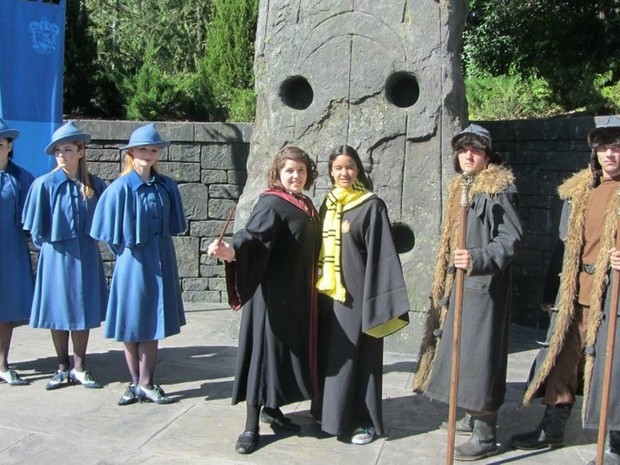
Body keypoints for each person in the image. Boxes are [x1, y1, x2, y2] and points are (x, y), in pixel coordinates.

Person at [510, 116, 620, 465]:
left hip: (613, 295)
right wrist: (550, 291)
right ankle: (552, 429)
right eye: (603, 148)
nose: (610, 155)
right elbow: (564, 246)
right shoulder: (580, 192)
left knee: (612, 370)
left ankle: (616, 443)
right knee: (561, 362)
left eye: (616, 147)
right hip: (576, 293)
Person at [413, 124, 522, 461]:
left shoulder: (498, 190)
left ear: (487, 155)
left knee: (480, 358)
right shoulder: (462, 187)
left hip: (483, 287)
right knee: (461, 353)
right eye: (463, 150)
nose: (468, 155)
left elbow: (511, 239)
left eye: (475, 149)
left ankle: (486, 434)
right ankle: (471, 414)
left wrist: (477, 258)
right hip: (459, 286)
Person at [207, 146, 321, 455]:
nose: (295, 176)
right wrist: (229, 251)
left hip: (296, 296)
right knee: (262, 358)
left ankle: (273, 410)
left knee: (282, 356)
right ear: (277, 174)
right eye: (289, 171)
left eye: (300, 170)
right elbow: (252, 238)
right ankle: (251, 427)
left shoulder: (306, 205)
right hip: (270, 297)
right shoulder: (272, 203)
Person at [310, 145, 410, 446]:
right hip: (328, 294)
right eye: (338, 168)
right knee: (332, 357)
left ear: (358, 170)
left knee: (359, 358)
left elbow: (382, 256)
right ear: (330, 170)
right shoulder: (327, 204)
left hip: (357, 295)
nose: (344, 173)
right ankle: (328, 415)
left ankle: (362, 421)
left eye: (350, 167)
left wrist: (377, 303)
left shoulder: (371, 206)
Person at [91, 123, 186, 406]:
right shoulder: (119, 188)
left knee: (153, 322)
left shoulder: (166, 186)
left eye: (153, 149)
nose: (149, 153)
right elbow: (105, 232)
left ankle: (147, 382)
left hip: (161, 259)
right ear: (131, 152)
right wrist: (126, 254)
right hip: (132, 263)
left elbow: (173, 225)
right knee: (132, 322)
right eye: (143, 149)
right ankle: (135, 383)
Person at [22, 121, 108, 390]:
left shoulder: (94, 184)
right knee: (58, 311)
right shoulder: (43, 185)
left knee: (82, 310)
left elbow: (105, 221)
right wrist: (50, 249)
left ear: (81, 151)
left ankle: (80, 366)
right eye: (58, 150)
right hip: (56, 256)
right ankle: (61, 366)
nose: (61, 154)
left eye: (68, 149)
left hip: (85, 255)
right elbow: (35, 231)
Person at [0, 119, 35, 386]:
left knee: (7, 308)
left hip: (10, 252)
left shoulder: (22, 178)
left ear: (9, 147)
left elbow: (32, 219)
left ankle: (2, 363)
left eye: (0, 144)